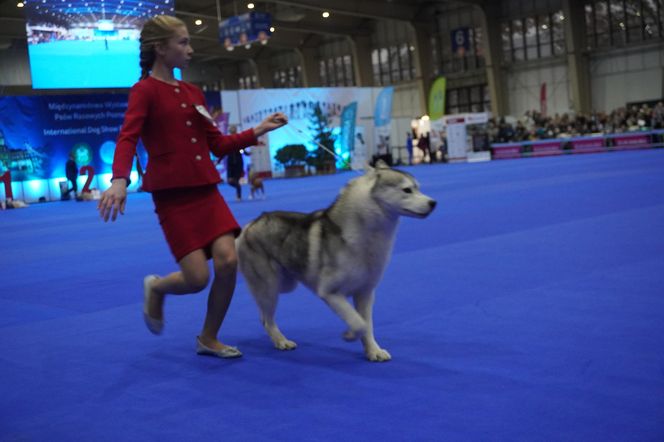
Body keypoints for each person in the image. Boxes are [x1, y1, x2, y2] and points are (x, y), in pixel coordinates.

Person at [97, 15, 287, 359]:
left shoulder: (193, 92)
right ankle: (156, 287)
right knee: (197, 279)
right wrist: (119, 180)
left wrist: (259, 130)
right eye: (183, 42)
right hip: (173, 198)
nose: (190, 49)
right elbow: (127, 138)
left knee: (229, 262)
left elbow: (218, 144)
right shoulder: (144, 91)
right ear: (160, 48)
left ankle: (209, 337)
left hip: (207, 191)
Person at [224, 125, 244, 201]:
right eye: (231, 130)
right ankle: (238, 188)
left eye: (234, 130)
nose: (232, 131)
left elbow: (243, 149)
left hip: (238, 163)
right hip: (230, 163)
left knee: (236, 180)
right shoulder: (227, 140)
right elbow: (224, 150)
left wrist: (246, 153)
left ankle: (239, 196)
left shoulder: (239, 139)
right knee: (230, 181)